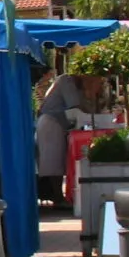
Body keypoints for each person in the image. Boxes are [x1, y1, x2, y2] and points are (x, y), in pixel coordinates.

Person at [35, 72, 101, 207]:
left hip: (60, 123)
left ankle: (60, 196)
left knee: (59, 160)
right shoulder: (67, 81)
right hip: (51, 123)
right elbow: (76, 106)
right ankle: (58, 198)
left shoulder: (77, 86)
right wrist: (91, 92)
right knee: (53, 161)